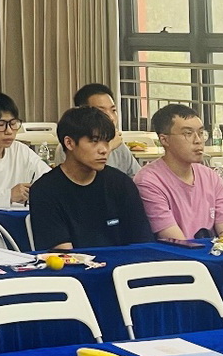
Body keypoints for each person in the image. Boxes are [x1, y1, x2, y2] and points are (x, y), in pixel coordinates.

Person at [29, 106, 153, 250]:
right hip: (75, 264)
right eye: (94, 141)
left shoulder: (121, 183)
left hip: (125, 263)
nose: (104, 150)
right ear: (69, 143)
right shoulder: (45, 190)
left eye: (107, 141)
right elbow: (62, 254)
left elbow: (143, 242)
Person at [134, 104, 223, 240]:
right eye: (188, 134)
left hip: (211, 250)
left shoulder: (211, 177)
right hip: (177, 252)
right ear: (164, 140)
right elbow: (175, 240)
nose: (198, 141)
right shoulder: (148, 181)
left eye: (201, 133)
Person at [0, 91, 50, 208]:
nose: (9, 131)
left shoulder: (21, 151)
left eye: (13, 123)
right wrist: (8, 195)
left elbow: (49, 179)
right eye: (1, 125)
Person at [52, 84, 141, 177]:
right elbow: (86, 182)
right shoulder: (70, 146)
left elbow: (137, 177)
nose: (111, 117)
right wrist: (109, 147)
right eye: (101, 112)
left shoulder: (119, 145)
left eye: (113, 110)